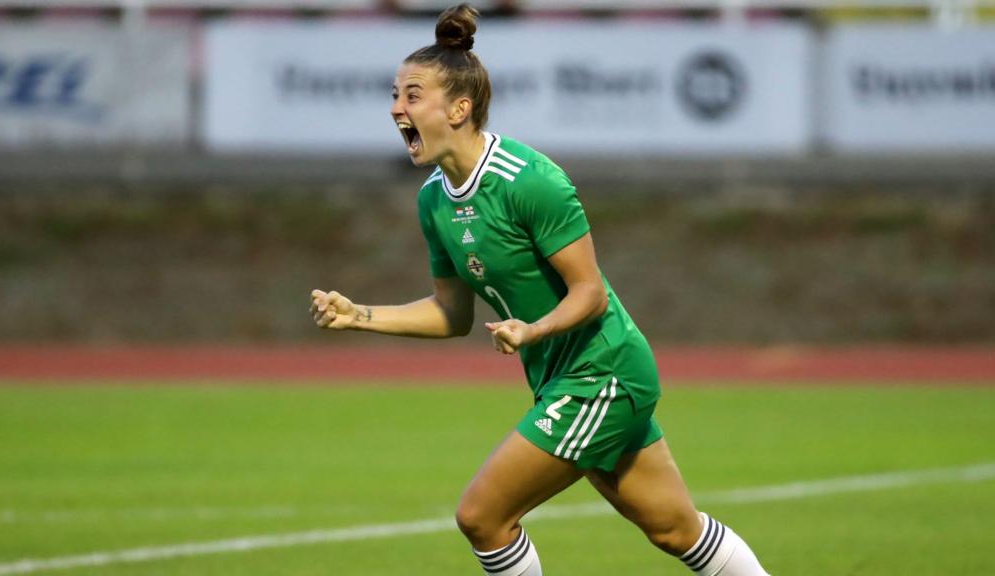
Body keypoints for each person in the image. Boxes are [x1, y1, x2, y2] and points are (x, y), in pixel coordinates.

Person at [310, 5, 770, 575]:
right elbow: (451, 315)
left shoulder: (531, 180)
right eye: (395, 95)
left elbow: (591, 294)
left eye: (411, 95)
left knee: (483, 516)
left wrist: (534, 329)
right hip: (564, 378)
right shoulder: (433, 200)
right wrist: (360, 316)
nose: (395, 108)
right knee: (677, 530)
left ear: (459, 108)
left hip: (603, 372)